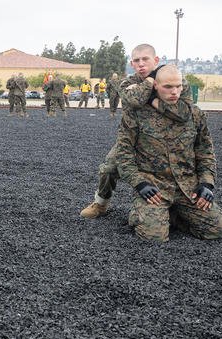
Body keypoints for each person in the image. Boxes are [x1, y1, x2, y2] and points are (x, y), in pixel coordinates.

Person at [116, 65, 222, 242]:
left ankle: (175, 216)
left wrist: (207, 183)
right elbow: (124, 154)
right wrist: (139, 183)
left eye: (178, 86)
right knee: (154, 238)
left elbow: (205, 152)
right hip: (154, 187)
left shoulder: (194, 114)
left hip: (188, 187)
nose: (175, 92)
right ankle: (147, 214)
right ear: (155, 85)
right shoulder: (136, 114)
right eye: (168, 87)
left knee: (221, 232)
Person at [80, 44, 193, 219]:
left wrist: (150, 98)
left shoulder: (174, 80)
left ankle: (178, 207)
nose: (141, 64)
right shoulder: (128, 83)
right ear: (132, 64)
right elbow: (133, 100)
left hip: (169, 139)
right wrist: (151, 82)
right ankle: (100, 204)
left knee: (178, 170)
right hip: (135, 137)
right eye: (136, 60)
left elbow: (184, 112)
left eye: (145, 59)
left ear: (156, 60)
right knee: (108, 169)